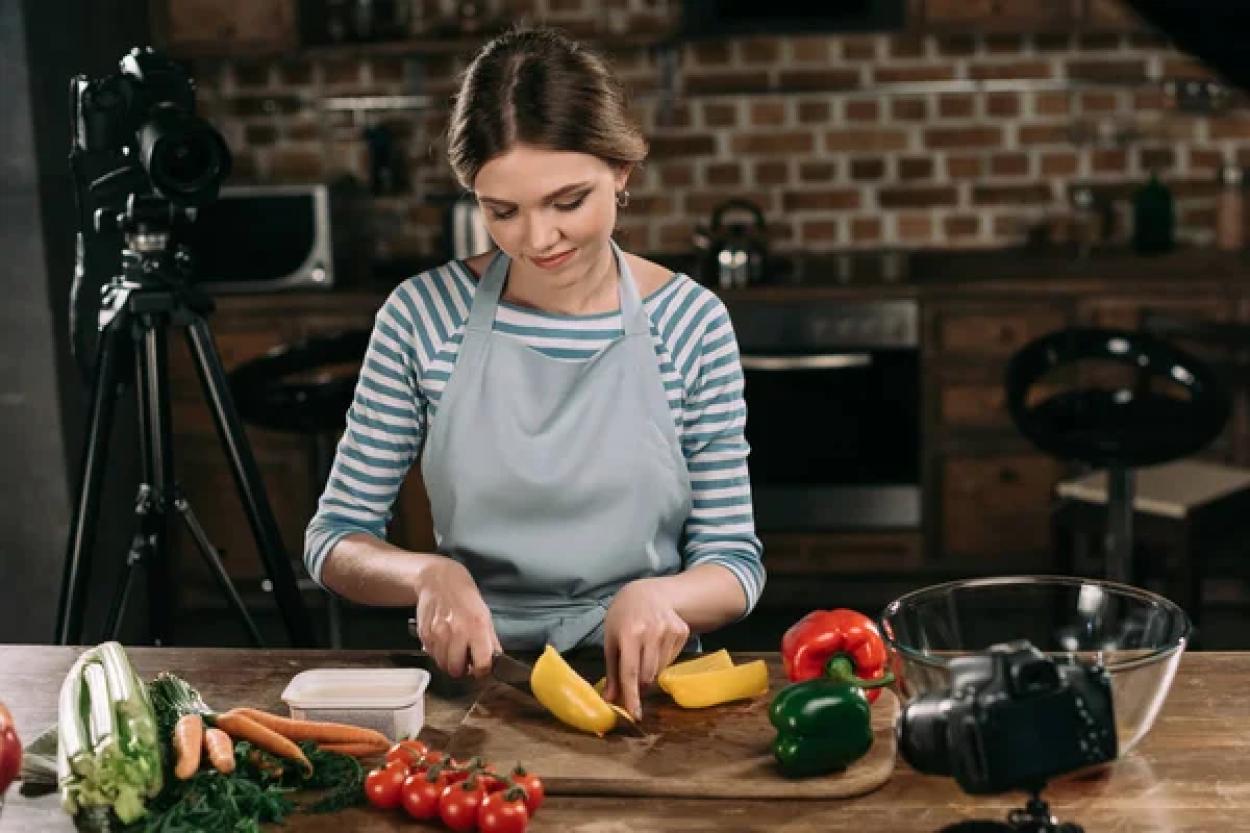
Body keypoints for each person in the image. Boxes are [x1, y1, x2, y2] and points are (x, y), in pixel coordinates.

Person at [304, 25, 765, 720]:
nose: (536, 239)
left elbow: (735, 561)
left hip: (650, 689)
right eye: (502, 211)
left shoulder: (690, 323)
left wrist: (665, 594)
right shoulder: (423, 315)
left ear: (621, 170)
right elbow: (334, 539)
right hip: (478, 686)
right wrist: (430, 574)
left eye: (567, 201)